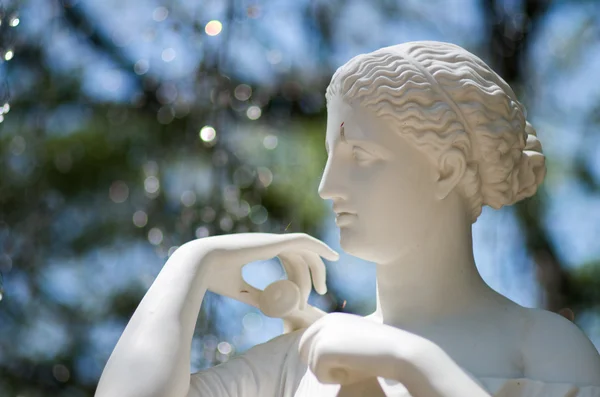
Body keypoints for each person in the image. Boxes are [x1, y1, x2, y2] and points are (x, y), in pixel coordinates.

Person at [95, 42, 600, 397]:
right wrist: (192, 262)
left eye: (360, 155)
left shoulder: (542, 346)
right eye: (331, 156)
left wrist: (410, 363)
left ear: (445, 170)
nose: (327, 186)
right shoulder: (302, 358)